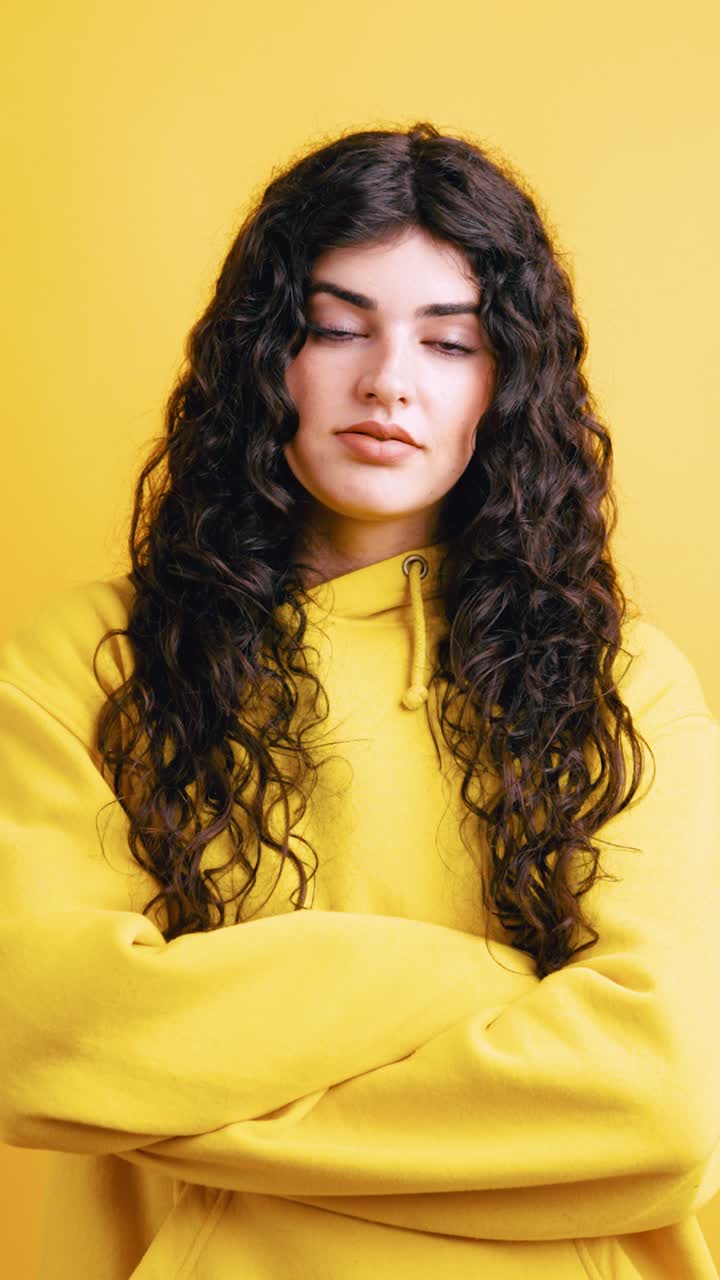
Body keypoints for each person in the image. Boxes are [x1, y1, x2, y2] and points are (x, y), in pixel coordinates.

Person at [1, 120, 718, 1279]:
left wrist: (195, 1064)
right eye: (336, 327)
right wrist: (487, 987)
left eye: (451, 342)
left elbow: (667, 1095)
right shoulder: (92, 662)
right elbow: (40, 1039)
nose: (388, 379)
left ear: (507, 382)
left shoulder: (621, 682)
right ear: (261, 353)